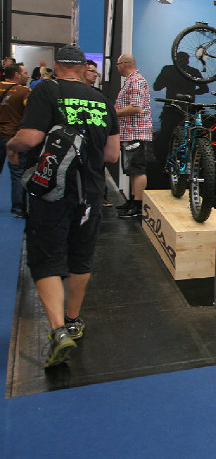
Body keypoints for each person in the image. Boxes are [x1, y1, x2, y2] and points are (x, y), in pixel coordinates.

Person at [5, 45, 119, 368]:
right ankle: (73, 320)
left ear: (56, 67)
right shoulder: (102, 100)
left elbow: (30, 138)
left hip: (51, 191)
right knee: (80, 256)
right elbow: (112, 155)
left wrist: (11, 144)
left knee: (46, 257)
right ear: (83, 68)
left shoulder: (46, 91)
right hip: (90, 192)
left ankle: (57, 331)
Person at [114, 53, 152, 218]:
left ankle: (138, 205)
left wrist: (114, 113)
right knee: (132, 170)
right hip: (129, 132)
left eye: (117, 64)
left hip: (136, 132)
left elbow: (136, 107)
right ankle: (133, 201)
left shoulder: (136, 81)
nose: (117, 67)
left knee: (137, 169)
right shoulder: (132, 81)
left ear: (124, 64)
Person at [153, 51, 209, 161]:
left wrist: (170, 84)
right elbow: (204, 89)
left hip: (171, 108)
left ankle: (162, 162)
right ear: (188, 60)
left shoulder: (168, 70)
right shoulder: (194, 71)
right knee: (189, 137)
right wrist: (190, 93)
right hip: (188, 108)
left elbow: (157, 87)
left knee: (165, 137)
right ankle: (186, 161)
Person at [0, 62, 31, 217]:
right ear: (16, 75)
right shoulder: (24, 91)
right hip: (14, 137)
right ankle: (18, 208)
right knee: (17, 173)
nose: (28, 76)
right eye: (25, 73)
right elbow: (31, 110)